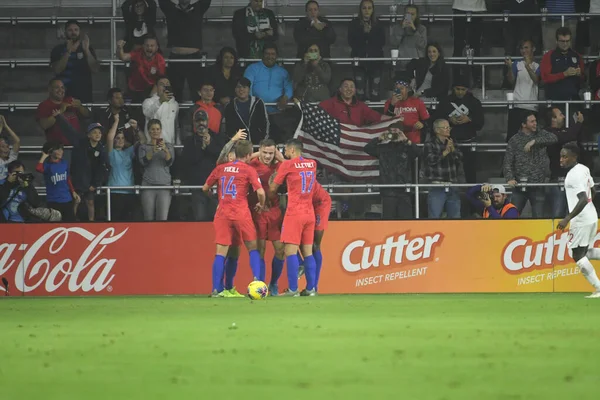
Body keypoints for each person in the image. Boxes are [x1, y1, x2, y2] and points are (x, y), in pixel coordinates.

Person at [203, 139, 265, 297]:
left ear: (235, 154)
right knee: (252, 248)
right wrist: (261, 204)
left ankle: (219, 289)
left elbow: (205, 188)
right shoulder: (248, 170)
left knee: (223, 252)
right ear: (249, 154)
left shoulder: (221, 168)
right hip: (241, 214)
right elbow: (261, 193)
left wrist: (217, 199)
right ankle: (257, 282)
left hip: (223, 213)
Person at [269, 139, 318, 297]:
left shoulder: (287, 165)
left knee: (290, 251)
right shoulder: (312, 164)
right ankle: (311, 289)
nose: (285, 152)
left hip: (294, 213)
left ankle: (293, 289)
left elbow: (273, 187)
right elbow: (298, 168)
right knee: (308, 252)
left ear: (291, 150)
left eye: (286, 150)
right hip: (309, 212)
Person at [556, 142, 600, 298]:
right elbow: (593, 192)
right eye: (561, 156)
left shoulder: (572, 176)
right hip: (591, 216)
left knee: (577, 254)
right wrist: (587, 210)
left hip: (581, 220)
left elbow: (582, 199)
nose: (561, 159)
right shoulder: (584, 169)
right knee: (585, 251)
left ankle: (599, 288)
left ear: (573, 157)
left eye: (564, 156)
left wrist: (567, 218)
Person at [503, 112, 557, 218]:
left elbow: (554, 138)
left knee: (538, 218)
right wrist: (509, 178)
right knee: (511, 217)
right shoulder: (514, 140)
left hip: (538, 185)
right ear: (524, 124)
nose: (535, 123)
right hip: (519, 185)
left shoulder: (541, 134)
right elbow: (507, 161)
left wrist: (535, 141)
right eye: (532, 121)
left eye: (535, 121)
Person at [249, 139, 285, 295]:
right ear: (260, 150)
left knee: (280, 250)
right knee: (260, 249)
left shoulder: (279, 165)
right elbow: (239, 159)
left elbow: (292, 167)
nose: (268, 156)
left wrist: (280, 157)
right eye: (264, 152)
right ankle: (260, 285)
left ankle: (274, 284)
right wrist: (257, 153)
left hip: (275, 211)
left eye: (271, 153)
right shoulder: (252, 164)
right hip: (258, 212)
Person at [158, 0, 212, 102]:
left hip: (194, 58)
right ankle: (175, 117)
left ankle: (198, 117)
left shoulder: (198, 8)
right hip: (176, 58)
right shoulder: (171, 9)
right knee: (174, 93)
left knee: (197, 91)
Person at [364, 122, 419, 219]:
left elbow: (419, 152)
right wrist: (379, 139)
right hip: (388, 191)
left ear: (402, 132)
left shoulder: (407, 148)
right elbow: (367, 148)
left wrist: (406, 140)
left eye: (396, 132)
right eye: (391, 132)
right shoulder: (383, 148)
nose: (393, 134)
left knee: (406, 221)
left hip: (405, 190)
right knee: (388, 221)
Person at [434, 77, 484, 183]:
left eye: (463, 89)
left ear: (467, 90)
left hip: (469, 141)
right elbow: (436, 120)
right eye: (457, 89)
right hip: (450, 142)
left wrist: (469, 119)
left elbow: (480, 124)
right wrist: (448, 119)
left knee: (470, 172)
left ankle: (472, 196)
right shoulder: (445, 101)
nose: (460, 92)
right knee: (449, 172)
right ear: (453, 88)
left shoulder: (474, 102)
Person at [180, 109, 227, 221]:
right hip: (198, 187)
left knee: (217, 219)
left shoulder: (217, 137)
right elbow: (188, 161)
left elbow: (222, 157)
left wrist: (210, 144)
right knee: (200, 218)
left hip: (216, 186)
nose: (201, 123)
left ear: (207, 121)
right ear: (194, 123)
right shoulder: (189, 141)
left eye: (203, 121)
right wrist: (201, 147)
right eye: (198, 121)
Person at [244, 44, 294, 143]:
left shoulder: (282, 72)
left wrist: (286, 97)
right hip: (257, 112)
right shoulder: (252, 68)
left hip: (276, 113)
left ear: (276, 56)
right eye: (267, 54)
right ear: (262, 55)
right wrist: (253, 103)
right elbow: (246, 86)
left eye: (273, 54)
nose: (270, 56)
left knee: (278, 140)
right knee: (258, 140)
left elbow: (289, 87)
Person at [422, 119, 465, 219]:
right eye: (445, 128)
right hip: (437, 186)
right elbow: (430, 160)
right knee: (434, 217)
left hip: (452, 185)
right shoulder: (430, 144)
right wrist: (445, 153)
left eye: (449, 127)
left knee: (455, 217)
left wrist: (453, 150)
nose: (448, 130)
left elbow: (460, 158)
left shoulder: (452, 142)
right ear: (437, 130)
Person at [545, 108, 584, 218]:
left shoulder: (564, 131)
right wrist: (578, 123)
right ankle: (556, 235)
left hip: (573, 179)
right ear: (553, 119)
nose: (564, 116)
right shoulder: (548, 133)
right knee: (558, 214)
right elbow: (567, 137)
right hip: (558, 180)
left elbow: (573, 136)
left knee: (575, 214)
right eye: (560, 114)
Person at [106, 114, 144, 221]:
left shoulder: (128, 152)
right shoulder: (111, 153)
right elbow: (109, 138)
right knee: (115, 222)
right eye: (118, 138)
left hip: (129, 191)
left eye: (122, 138)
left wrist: (137, 128)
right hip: (114, 192)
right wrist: (116, 121)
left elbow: (143, 141)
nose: (121, 140)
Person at [50, 20, 99, 103]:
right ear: (65, 32)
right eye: (70, 30)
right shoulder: (57, 49)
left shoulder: (88, 48)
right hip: (63, 96)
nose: (73, 32)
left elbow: (95, 69)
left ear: (80, 32)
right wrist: (68, 52)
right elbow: (57, 70)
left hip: (84, 95)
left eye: (76, 30)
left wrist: (86, 51)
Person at [71, 123, 109, 222]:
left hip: (91, 182)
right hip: (80, 181)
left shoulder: (102, 150)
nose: (97, 134)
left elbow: (101, 169)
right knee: (76, 201)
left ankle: (91, 222)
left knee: (90, 202)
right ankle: (70, 221)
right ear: (88, 135)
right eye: (94, 132)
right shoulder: (81, 147)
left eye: (99, 133)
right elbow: (77, 167)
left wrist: (95, 184)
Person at [348, 0, 385, 101]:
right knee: (359, 93)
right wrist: (364, 33)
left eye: (369, 8)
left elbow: (382, 42)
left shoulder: (378, 24)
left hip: (376, 61)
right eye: (364, 8)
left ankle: (374, 115)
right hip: (359, 62)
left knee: (375, 92)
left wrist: (370, 34)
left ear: (373, 10)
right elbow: (351, 42)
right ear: (360, 10)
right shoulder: (354, 24)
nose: (367, 10)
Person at [138, 119, 175, 221]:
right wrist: (153, 151)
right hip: (148, 186)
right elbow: (143, 162)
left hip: (164, 185)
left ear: (161, 130)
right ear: (149, 131)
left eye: (158, 129)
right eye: (153, 129)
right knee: (148, 219)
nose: (155, 131)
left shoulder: (168, 146)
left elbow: (170, 162)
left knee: (162, 219)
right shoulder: (144, 147)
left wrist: (165, 150)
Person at [36, 78, 90, 146]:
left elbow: (87, 115)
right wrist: (61, 110)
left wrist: (80, 107)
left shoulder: (70, 100)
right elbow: (44, 125)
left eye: (62, 87)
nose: (60, 90)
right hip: (57, 148)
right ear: (49, 89)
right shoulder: (44, 105)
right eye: (57, 87)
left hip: (76, 146)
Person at [505, 40, 540, 142]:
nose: (524, 50)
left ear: (533, 49)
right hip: (517, 105)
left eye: (526, 48)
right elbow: (511, 80)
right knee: (513, 137)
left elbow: (536, 80)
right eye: (522, 48)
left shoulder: (537, 65)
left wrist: (528, 66)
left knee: (530, 138)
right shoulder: (517, 64)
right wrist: (510, 68)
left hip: (531, 106)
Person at [36, 142, 80, 222]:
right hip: (53, 200)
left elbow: (67, 178)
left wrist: (73, 191)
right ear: (51, 152)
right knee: (55, 226)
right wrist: (44, 155)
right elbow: (38, 168)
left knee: (70, 224)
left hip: (67, 199)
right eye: (58, 150)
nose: (61, 152)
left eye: (61, 150)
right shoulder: (47, 165)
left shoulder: (64, 162)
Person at [117, 35, 166, 104]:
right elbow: (123, 57)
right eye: (147, 45)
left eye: (152, 46)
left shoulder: (160, 60)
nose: (149, 48)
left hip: (150, 89)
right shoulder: (138, 53)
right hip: (134, 88)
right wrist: (120, 48)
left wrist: (150, 98)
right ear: (143, 46)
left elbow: (160, 80)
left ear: (157, 47)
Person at [540, 27, 584, 102]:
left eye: (567, 41)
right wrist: (564, 74)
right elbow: (545, 78)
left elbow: (584, 80)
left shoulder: (577, 56)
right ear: (556, 41)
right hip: (554, 100)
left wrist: (580, 74)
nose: (565, 44)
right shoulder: (549, 56)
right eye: (562, 41)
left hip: (573, 100)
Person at [319, 78, 387, 126]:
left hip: (354, 141)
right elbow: (315, 114)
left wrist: (395, 119)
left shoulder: (361, 106)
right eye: (346, 86)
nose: (349, 89)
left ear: (355, 90)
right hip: (336, 141)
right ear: (340, 89)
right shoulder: (329, 103)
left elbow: (378, 117)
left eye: (352, 87)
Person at [223, 77, 270, 144]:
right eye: (238, 87)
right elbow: (228, 128)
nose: (241, 89)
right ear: (235, 89)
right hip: (239, 145)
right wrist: (234, 140)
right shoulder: (230, 106)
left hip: (258, 144)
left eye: (244, 87)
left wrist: (263, 140)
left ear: (249, 89)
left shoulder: (258, 102)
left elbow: (265, 123)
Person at [308, 181, 331, 294]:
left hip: (320, 203)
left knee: (315, 245)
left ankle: (313, 287)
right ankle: (300, 262)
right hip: (303, 204)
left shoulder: (297, 167)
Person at [142, 76, 180, 144]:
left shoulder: (175, 104)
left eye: (167, 84)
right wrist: (160, 100)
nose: (165, 86)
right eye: (162, 84)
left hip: (170, 144)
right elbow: (148, 113)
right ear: (156, 87)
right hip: (153, 143)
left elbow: (176, 125)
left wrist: (178, 142)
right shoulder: (148, 101)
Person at [391, 4, 427, 72]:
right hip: (401, 64)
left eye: (412, 14)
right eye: (408, 14)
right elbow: (394, 44)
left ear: (416, 15)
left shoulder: (422, 29)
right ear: (404, 14)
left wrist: (414, 29)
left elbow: (423, 45)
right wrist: (402, 29)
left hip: (417, 64)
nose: (410, 17)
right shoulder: (396, 28)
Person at [0, 116, 21, 184]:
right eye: (3, 147)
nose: (6, 149)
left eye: (7, 146)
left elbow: (17, 141)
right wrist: (0, 127)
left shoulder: (12, 158)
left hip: (10, 189)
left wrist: (6, 126)